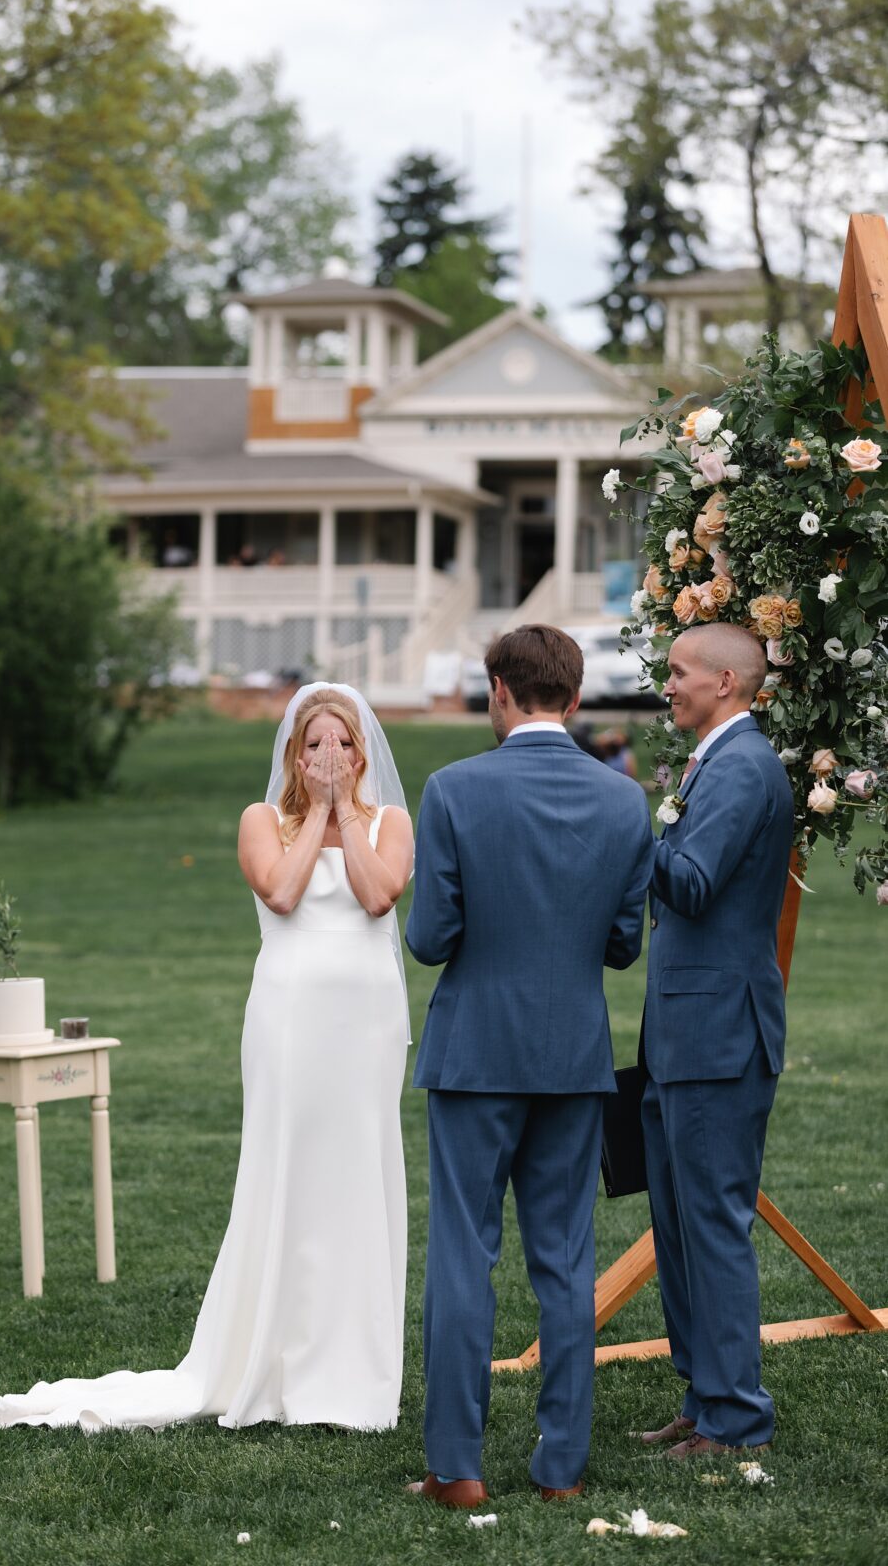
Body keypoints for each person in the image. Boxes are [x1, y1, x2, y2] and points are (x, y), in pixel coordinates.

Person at [0, 683, 414, 1434]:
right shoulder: (264, 821)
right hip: (289, 1017)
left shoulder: (390, 822)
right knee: (285, 1169)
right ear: (293, 753)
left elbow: (379, 895)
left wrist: (346, 813)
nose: (328, 756)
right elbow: (282, 896)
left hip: (367, 1025)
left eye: (342, 744)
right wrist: (316, 811)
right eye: (314, 744)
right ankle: (270, 1357)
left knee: (357, 1170)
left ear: (360, 752)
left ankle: (351, 1366)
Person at [403, 625, 655, 1509]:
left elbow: (429, 937)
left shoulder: (453, 790)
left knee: (462, 1258)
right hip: (573, 1057)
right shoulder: (624, 802)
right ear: (575, 698)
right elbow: (624, 946)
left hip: (474, 1054)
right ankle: (560, 1472)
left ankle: (456, 1468)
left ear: (498, 693)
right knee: (563, 1264)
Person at [637, 623, 793, 1460]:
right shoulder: (713, 761)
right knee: (677, 1227)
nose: (668, 685)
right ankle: (704, 1399)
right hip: (681, 1036)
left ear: (726, 683)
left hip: (719, 1038)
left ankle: (735, 1417)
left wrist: (627, 825)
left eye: (678, 672)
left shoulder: (741, 766)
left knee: (710, 1225)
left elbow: (691, 886)